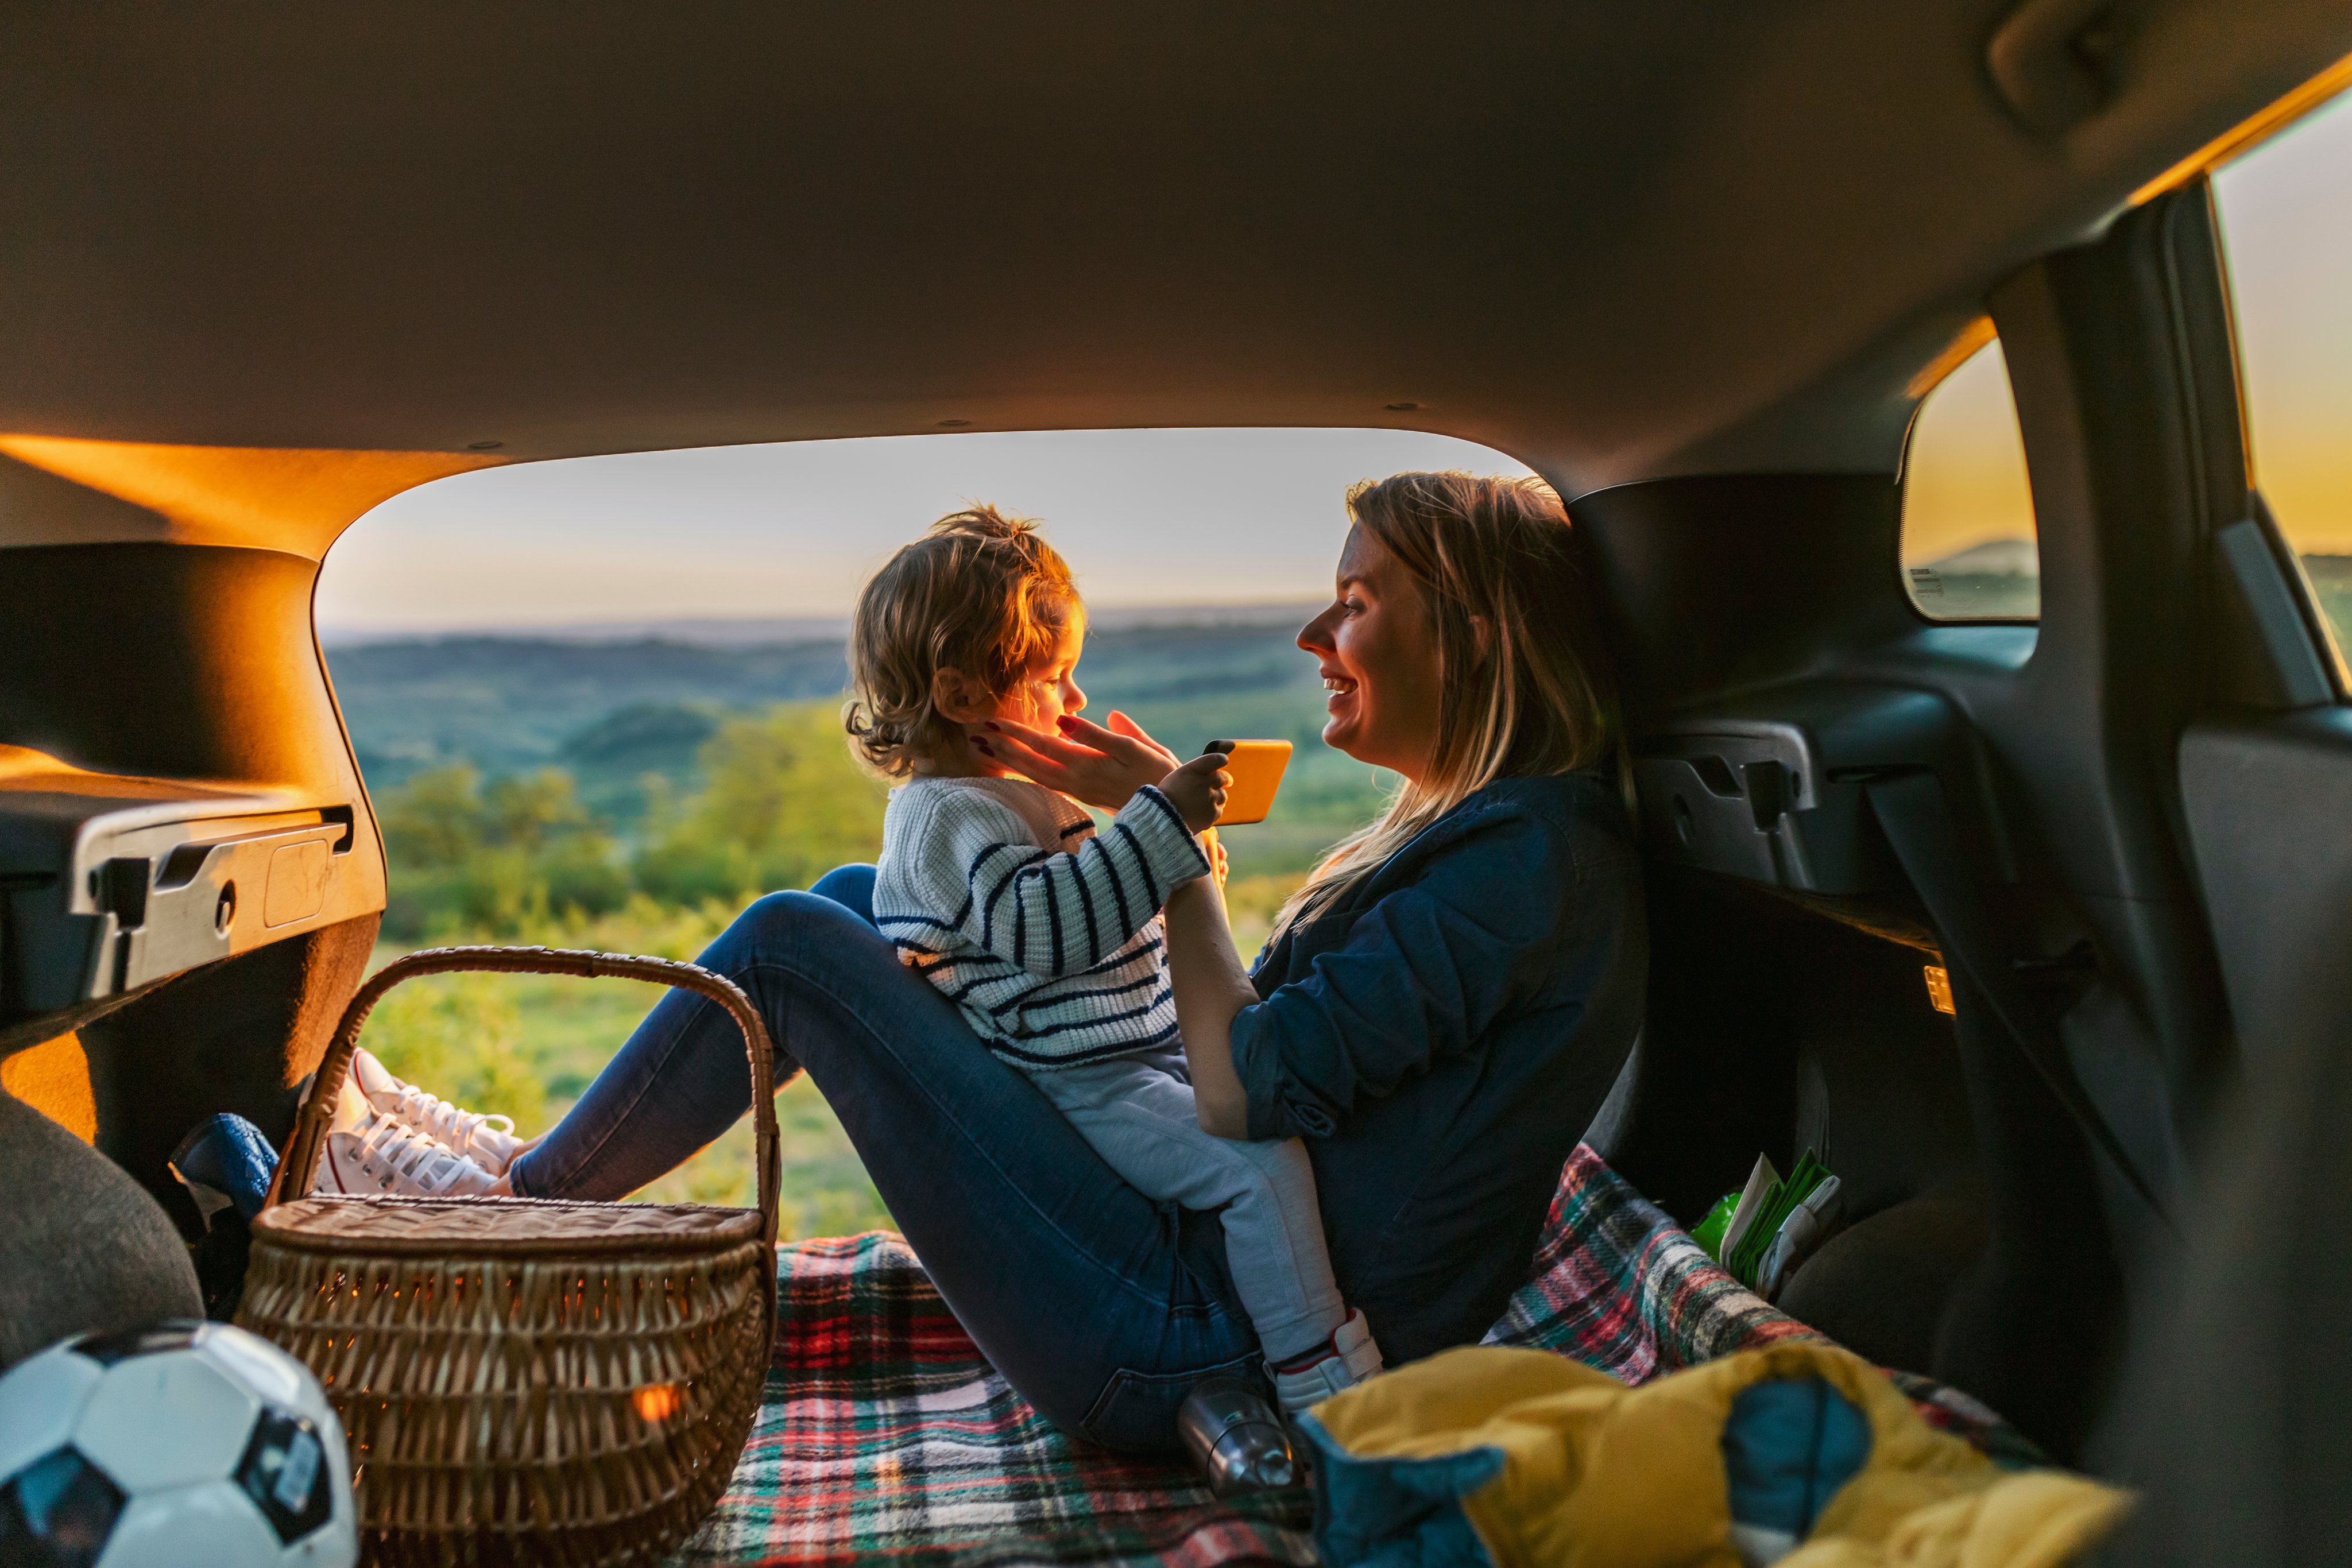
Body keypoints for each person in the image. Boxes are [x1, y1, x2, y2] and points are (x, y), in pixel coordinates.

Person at [348, 470, 1645, 1457]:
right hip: (1180, 1255)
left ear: (1473, 635)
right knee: (865, 901)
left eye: (1356, 603)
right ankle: (517, 1177)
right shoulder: (1485, 843)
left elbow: (1244, 1092)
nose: (1315, 628)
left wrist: (1169, 843)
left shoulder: (1524, 863)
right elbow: (1257, 1045)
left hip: (1205, 1333)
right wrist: (1139, 837)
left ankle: (513, 1200)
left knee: (800, 943)